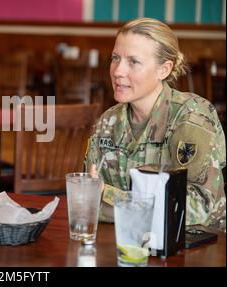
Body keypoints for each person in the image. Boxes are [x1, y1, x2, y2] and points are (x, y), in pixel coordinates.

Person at [85, 18, 226, 232]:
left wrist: (112, 197)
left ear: (164, 69)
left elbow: (202, 208)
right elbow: (89, 200)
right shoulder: (108, 122)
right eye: (115, 58)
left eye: (134, 61)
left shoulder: (192, 117)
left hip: (195, 247)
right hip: (127, 243)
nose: (117, 71)